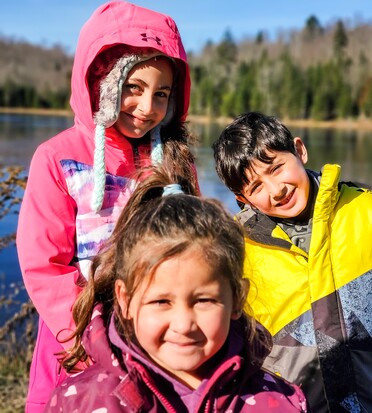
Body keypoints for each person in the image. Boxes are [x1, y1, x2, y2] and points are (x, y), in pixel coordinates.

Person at [16, 2, 198, 412]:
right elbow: (44, 265)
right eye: (133, 88)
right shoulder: (57, 157)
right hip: (76, 338)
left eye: (161, 94)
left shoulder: (174, 162)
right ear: (102, 82)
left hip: (157, 335)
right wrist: (90, 338)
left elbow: (195, 251)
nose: (148, 107)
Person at [43, 166, 309, 413]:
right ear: (125, 300)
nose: (183, 325)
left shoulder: (278, 402)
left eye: (204, 300)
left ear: (237, 299)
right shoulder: (81, 401)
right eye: (161, 302)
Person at [212, 111, 372, 413]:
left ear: (299, 150)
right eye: (256, 187)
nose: (277, 190)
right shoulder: (238, 257)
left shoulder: (368, 211)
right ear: (241, 199)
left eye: (276, 168)